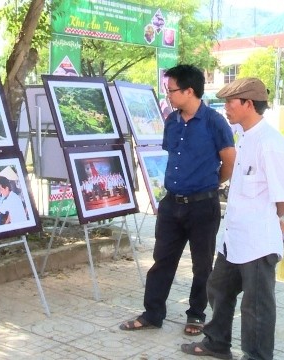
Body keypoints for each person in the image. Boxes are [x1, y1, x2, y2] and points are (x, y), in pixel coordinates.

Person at [181, 78, 284, 360]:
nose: (226, 109)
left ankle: (256, 355)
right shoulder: (244, 138)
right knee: (218, 287)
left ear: (248, 104)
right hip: (234, 237)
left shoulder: (270, 143)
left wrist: (271, 217)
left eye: (231, 103)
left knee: (256, 306)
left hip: (257, 241)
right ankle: (217, 343)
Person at [120, 64, 236, 335]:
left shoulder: (214, 122)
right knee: (162, 260)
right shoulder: (171, 121)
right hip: (172, 204)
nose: (168, 95)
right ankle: (152, 313)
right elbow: (172, 158)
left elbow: (229, 160)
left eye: (171, 90)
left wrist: (212, 181)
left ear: (189, 91)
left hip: (203, 205)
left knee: (202, 264)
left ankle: (196, 314)